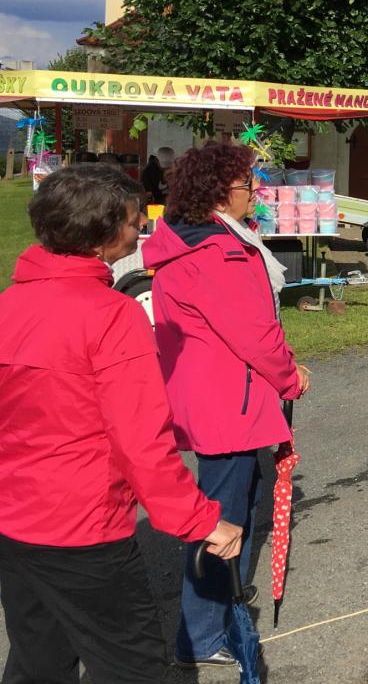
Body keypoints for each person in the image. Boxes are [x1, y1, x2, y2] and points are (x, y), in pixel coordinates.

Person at [0, 164, 243, 684]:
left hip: (16, 524)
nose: (141, 229)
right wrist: (201, 520)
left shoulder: (9, 304)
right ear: (102, 234)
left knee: (38, 662)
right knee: (134, 669)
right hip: (83, 530)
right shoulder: (113, 315)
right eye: (134, 222)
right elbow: (142, 443)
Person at [143, 142, 310, 669]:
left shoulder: (198, 242)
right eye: (247, 186)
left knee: (235, 504)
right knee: (221, 520)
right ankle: (200, 634)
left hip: (217, 395)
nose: (254, 193)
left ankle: (222, 597)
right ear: (220, 193)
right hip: (227, 403)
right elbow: (256, 333)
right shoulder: (218, 252)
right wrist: (290, 377)